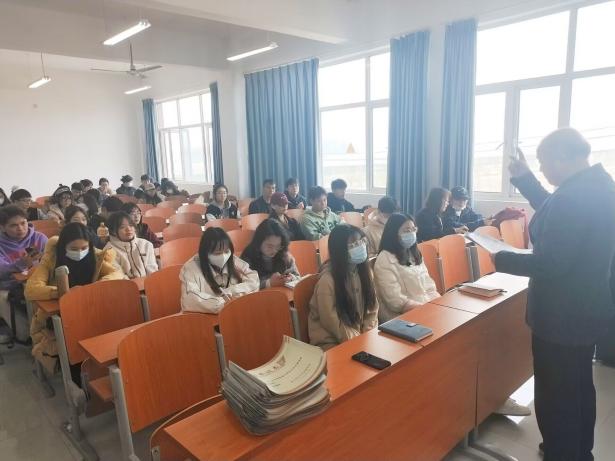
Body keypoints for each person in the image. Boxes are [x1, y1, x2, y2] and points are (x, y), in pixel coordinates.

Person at [493, 128, 615, 461]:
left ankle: (562, 452)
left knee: (556, 391)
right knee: (579, 385)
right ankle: (579, 450)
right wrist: (526, 179)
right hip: (586, 309)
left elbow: (551, 262)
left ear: (562, 158)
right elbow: (559, 216)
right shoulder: (599, 186)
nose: (543, 169)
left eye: (543, 163)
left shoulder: (573, 197)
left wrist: (501, 258)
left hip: (562, 314)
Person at [25, 222, 124, 374]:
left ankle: (107, 367)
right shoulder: (51, 259)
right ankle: (79, 372)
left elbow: (117, 274)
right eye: (73, 249)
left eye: (84, 248)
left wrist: (92, 289)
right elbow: (31, 289)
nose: (80, 252)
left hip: (90, 308)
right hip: (61, 314)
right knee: (79, 339)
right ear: (63, 247)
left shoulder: (95, 256)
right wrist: (62, 292)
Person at [308, 224, 379, 350]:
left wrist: (368, 332)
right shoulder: (327, 280)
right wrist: (357, 340)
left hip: (359, 337)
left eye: (361, 241)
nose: (360, 246)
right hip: (331, 341)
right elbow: (330, 320)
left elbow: (372, 306)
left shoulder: (365, 272)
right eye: (353, 245)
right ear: (340, 251)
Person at [373, 213, 438, 322]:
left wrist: (439, 305)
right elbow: (395, 301)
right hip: (401, 316)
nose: (412, 233)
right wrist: (425, 310)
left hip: (424, 307)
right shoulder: (384, 259)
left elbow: (429, 286)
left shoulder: (413, 253)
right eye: (406, 230)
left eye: (413, 229)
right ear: (394, 233)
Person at [180, 227, 259, 314]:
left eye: (226, 251)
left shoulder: (232, 260)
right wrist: (222, 302)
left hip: (234, 312)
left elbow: (254, 280)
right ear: (205, 253)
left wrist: (231, 291)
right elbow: (190, 299)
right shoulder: (190, 268)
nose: (223, 256)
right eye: (217, 253)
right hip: (206, 317)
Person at [0, 206, 48, 343]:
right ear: (2, 227)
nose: (20, 228)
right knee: (3, 298)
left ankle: (47, 332)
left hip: (40, 281)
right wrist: (20, 264)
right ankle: (27, 335)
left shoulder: (39, 238)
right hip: (11, 285)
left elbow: (52, 259)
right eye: (13, 225)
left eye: (23, 223)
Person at [241, 219, 300, 289]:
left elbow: (298, 276)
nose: (274, 250)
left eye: (278, 246)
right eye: (269, 246)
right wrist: (268, 283)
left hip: (282, 293)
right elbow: (244, 286)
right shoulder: (247, 257)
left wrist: (292, 278)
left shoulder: (284, 254)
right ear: (259, 242)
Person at [104, 211, 158, 279]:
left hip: (149, 282)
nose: (128, 229)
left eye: (131, 225)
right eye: (122, 227)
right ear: (113, 231)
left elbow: (152, 270)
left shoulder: (146, 245)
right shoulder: (109, 251)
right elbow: (118, 276)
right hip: (126, 285)